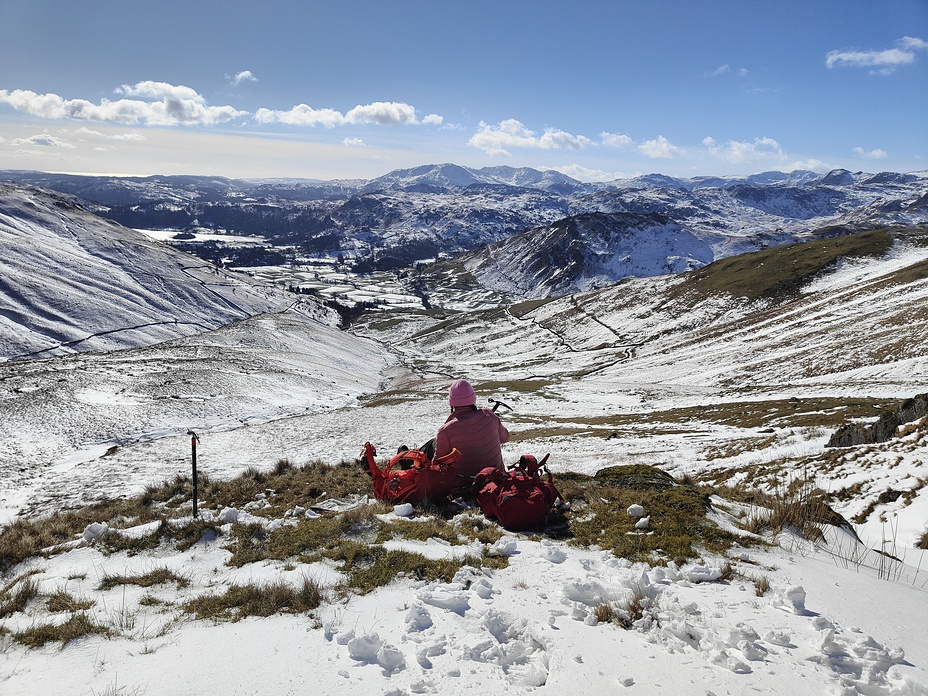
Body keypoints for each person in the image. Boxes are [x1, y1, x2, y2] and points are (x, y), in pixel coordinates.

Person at [432, 379, 510, 478]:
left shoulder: (445, 431)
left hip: (465, 485)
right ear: (473, 398)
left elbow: (437, 465)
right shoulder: (489, 415)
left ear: (451, 403)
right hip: (497, 480)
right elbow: (505, 438)